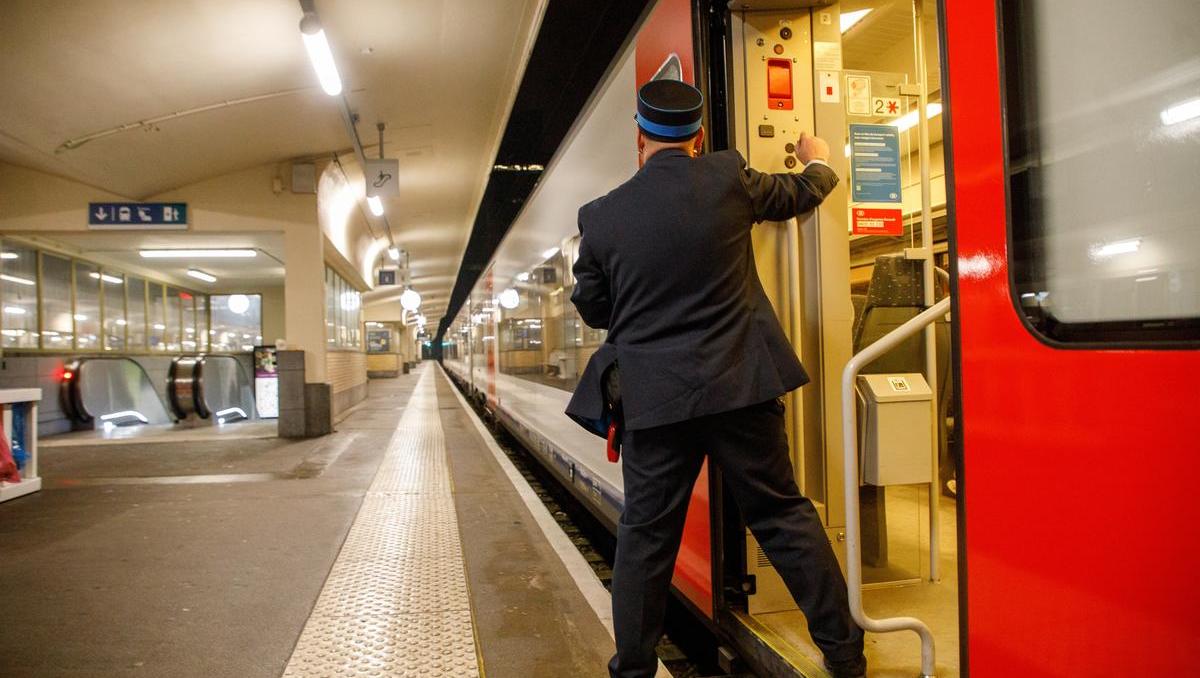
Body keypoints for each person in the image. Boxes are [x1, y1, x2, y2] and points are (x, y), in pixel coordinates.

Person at [564, 79, 867, 678]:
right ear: (699, 139)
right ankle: (845, 656)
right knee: (783, 515)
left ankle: (632, 669)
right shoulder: (729, 178)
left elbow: (595, 309)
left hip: (656, 403)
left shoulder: (600, 218)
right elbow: (801, 193)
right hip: (741, 387)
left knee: (646, 539)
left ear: (639, 139)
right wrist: (819, 160)